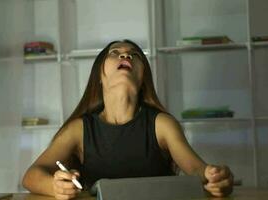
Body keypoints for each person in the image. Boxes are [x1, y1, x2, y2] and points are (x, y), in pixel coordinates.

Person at [22, 40, 234, 200]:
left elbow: (197, 170)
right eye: (115, 53)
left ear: (143, 77)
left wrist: (214, 177)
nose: (126, 56)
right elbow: (31, 176)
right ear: (99, 75)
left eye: (134, 55)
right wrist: (55, 186)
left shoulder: (162, 124)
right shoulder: (79, 129)